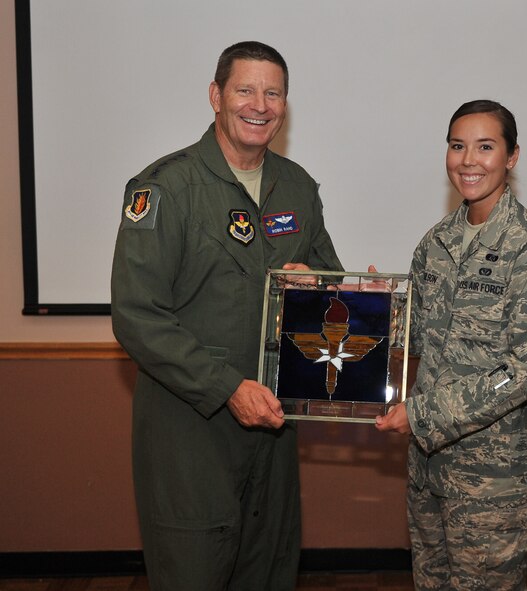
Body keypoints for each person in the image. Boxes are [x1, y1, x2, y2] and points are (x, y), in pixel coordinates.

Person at [111, 41, 344, 591]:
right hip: (192, 431)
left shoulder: (297, 187)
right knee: (194, 570)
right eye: (245, 89)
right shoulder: (164, 187)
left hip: (275, 428)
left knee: (269, 572)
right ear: (216, 96)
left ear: (285, 104)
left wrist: (324, 289)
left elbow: (330, 280)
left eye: (273, 92)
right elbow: (137, 315)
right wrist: (225, 386)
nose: (259, 104)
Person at [376, 100, 527, 590]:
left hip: (491, 484)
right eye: (458, 146)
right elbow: (417, 341)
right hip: (428, 470)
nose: (468, 160)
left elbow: (522, 370)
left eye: (485, 146)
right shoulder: (435, 244)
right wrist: (375, 309)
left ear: (512, 156)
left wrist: (422, 415)